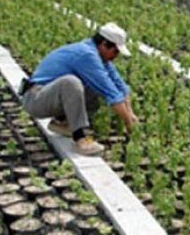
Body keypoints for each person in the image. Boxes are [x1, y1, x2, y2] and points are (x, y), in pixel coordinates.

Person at [19, 22, 138, 156]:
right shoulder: (87, 55)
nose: (116, 56)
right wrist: (129, 124)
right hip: (35, 99)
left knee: (93, 87)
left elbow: (120, 87)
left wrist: (131, 114)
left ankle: (63, 123)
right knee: (71, 82)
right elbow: (112, 94)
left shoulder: (100, 56)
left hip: (50, 96)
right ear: (104, 44)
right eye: (115, 51)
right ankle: (81, 139)